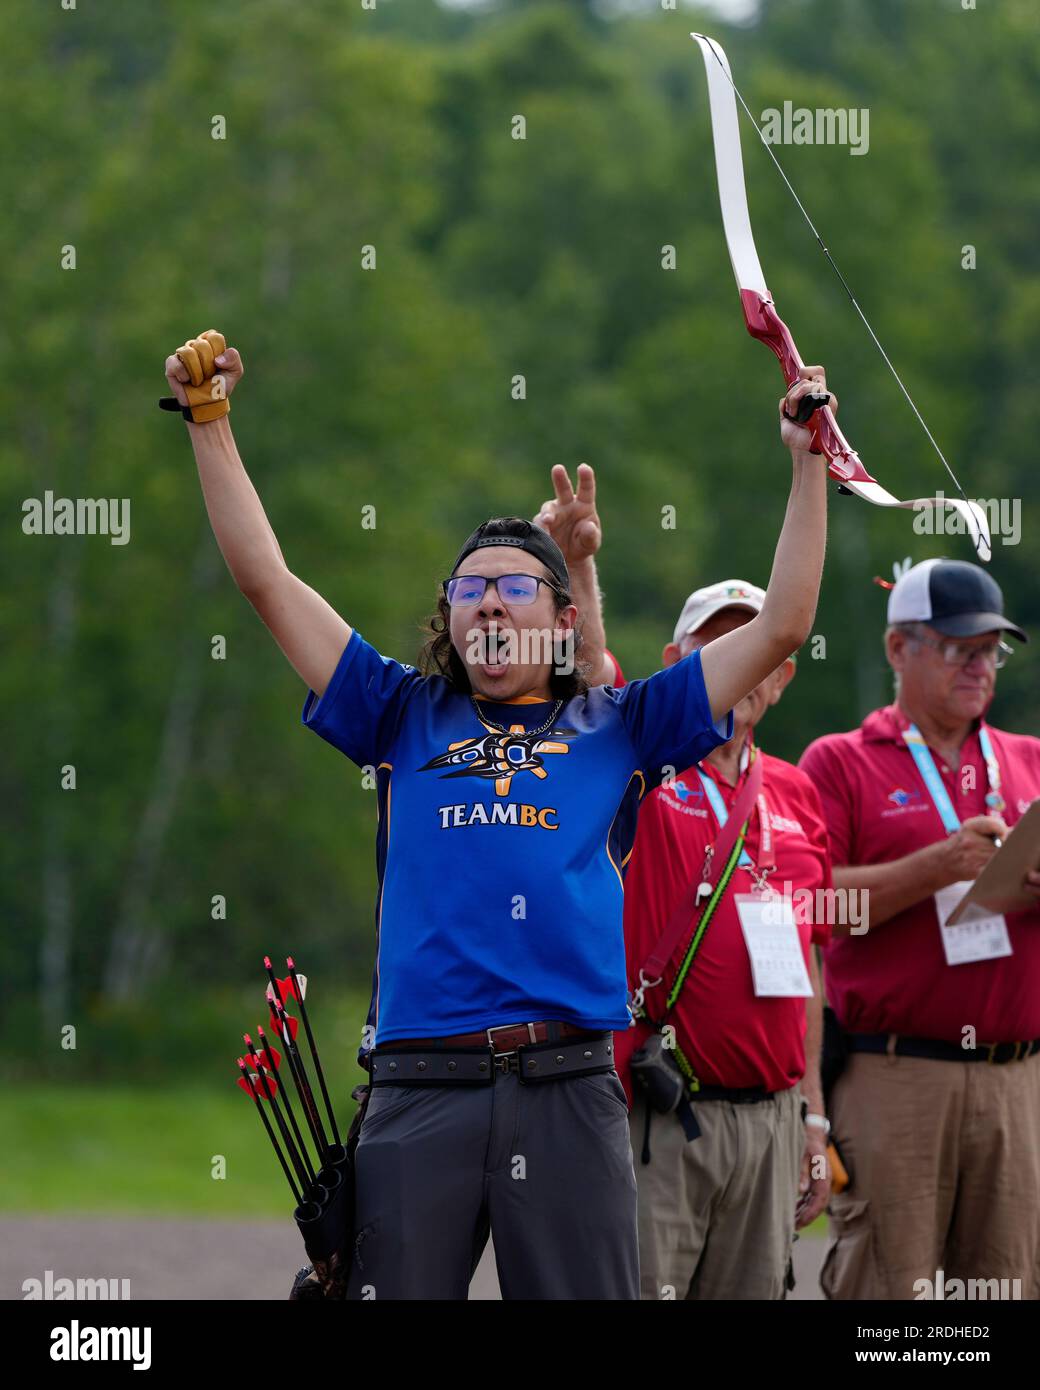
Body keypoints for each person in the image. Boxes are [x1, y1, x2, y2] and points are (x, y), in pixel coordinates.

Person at [163, 330, 828, 1299]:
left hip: (567, 1089)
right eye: (469, 590)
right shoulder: (398, 711)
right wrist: (208, 421)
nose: (487, 606)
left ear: (562, 621)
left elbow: (783, 625)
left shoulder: (620, 723)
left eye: (514, 588)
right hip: (418, 1089)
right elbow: (268, 580)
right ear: (448, 615)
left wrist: (807, 465)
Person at [536, 501, 834, 1301]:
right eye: (716, 645)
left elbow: (804, 964)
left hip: (772, 1120)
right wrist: (579, 567)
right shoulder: (644, 762)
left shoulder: (802, 793)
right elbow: (593, 667)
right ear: (679, 659)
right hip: (661, 1112)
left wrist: (812, 1118)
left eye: (755, 645)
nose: (740, 662)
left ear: (781, 669)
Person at [799, 558, 1040, 1300]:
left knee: (1004, 1293)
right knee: (891, 1296)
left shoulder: (1029, 760)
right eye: (959, 646)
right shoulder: (839, 762)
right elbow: (812, 906)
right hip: (896, 1076)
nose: (979, 665)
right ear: (898, 649)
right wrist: (936, 866)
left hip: (1016, 1079)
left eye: (990, 650)